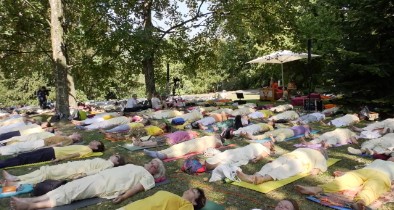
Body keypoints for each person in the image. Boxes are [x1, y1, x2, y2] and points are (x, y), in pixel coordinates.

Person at [10, 159, 165, 209]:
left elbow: (137, 188)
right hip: (100, 177)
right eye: (152, 163)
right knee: (67, 188)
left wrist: (124, 197)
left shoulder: (148, 178)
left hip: (105, 186)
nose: (152, 165)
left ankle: (32, 206)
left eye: (155, 167)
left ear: (156, 172)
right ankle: (32, 201)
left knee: (71, 193)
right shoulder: (136, 166)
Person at [295, 159, 394, 210]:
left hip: (383, 176)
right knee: (345, 180)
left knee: (372, 188)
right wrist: (345, 173)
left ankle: (360, 202)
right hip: (364, 171)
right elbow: (359, 170)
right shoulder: (378, 161)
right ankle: (316, 189)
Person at [2, 154, 126, 185]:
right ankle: (16, 178)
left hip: (74, 170)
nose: (114, 154)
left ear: (117, 161)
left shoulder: (109, 164)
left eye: (116, 155)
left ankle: (18, 183)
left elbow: (96, 172)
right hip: (72, 166)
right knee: (44, 170)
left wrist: (82, 174)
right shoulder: (106, 161)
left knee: (46, 175)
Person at [236, 148, 328, 185]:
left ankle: (263, 179)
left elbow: (317, 168)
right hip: (288, 156)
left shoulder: (321, 156)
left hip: (302, 162)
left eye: (321, 149)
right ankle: (252, 176)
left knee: (283, 169)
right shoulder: (306, 148)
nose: (319, 148)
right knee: (271, 165)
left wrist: (315, 170)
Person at [0, 140, 105, 168]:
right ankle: (3, 162)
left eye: (97, 142)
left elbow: (75, 155)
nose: (95, 140)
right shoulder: (86, 146)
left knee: (25, 160)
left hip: (53, 154)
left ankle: (2, 164)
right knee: (24, 155)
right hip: (52, 149)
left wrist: (59, 159)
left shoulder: (88, 150)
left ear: (96, 147)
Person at [206, 141, 274, 171]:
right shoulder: (259, 144)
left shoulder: (266, 150)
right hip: (240, 150)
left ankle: (214, 165)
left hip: (243, 155)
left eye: (269, 142)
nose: (266, 142)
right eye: (267, 141)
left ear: (270, 147)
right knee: (226, 153)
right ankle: (210, 162)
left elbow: (262, 155)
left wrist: (256, 159)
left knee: (229, 159)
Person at [144, 135, 223, 160]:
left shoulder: (219, 142)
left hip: (200, 145)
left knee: (184, 149)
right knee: (177, 146)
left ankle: (165, 156)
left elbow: (218, 145)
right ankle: (159, 152)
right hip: (196, 141)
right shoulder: (211, 136)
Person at [118, 188, 206, 210]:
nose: (189, 189)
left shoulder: (188, 205)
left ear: (194, 202)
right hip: (130, 207)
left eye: (193, 192)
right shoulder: (176, 198)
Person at [0, 133, 83, 156]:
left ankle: (2, 151)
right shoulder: (67, 137)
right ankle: (3, 150)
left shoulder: (69, 140)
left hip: (42, 143)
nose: (75, 133)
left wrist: (45, 148)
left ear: (77, 138)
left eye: (77, 134)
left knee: (21, 147)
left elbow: (58, 145)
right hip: (42, 142)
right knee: (21, 146)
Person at [243, 124, 312, 142]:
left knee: (282, 135)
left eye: (307, 125)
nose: (305, 125)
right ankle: (254, 137)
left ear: (308, 127)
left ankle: (275, 139)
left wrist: (309, 136)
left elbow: (306, 135)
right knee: (272, 132)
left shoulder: (306, 129)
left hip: (292, 132)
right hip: (287, 129)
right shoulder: (299, 126)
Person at [132, 130, 199, 147]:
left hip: (169, 137)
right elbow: (183, 141)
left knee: (156, 140)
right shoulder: (189, 136)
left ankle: (142, 143)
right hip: (171, 138)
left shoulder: (187, 133)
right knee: (157, 142)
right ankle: (142, 144)